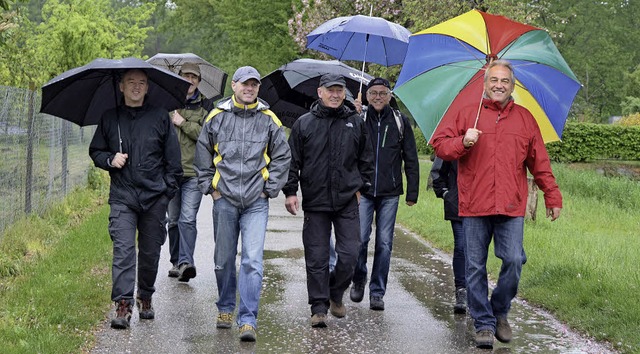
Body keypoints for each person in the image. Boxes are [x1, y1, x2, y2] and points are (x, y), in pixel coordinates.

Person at [430, 59, 562, 349]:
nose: (499, 85)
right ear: (485, 83)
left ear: (512, 86)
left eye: (504, 81)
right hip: (475, 203)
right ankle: (484, 324)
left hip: (511, 204)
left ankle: (499, 309)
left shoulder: (526, 119)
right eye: (494, 80)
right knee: (475, 267)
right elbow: (440, 145)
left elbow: (539, 162)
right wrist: (463, 142)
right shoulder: (467, 113)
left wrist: (552, 195)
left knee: (514, 260)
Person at [194, 66, 291, 342]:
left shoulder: (269, 119)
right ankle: (225, 307)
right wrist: (211, 189)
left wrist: (269, 189)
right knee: (223, 260)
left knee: (252, 260)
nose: (249, 89)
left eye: (254, 85)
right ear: (234, 86)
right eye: (245, 84)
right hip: (224, 200)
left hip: (255, 202)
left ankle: (248, 320)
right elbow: (202, 154)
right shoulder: (217, 117)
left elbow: (283, 156)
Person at [89, 69, 183, 330]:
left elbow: (173, 161)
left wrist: (166, 193)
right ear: (121, 86)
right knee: (124, 251)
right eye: (131, 82)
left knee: (151, 252)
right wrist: (110, 159)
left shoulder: (160, 117)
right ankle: (123, 302)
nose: (136, 87)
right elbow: (95, 150)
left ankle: (145, 295)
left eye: (141, 82)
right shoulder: (110, 118)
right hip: (123, 197)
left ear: (147, 87)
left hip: (154, 197)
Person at [283, 73, 374, 328]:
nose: (336, 95)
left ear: (344, 93)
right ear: (320, 92)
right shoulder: (304, 124)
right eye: (330, 90)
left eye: (340, 90)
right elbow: (293, 161)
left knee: (350, 253)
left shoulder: (355, 122)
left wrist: (360, 189)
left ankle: (336, 291)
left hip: (347, 200)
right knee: (317, 257)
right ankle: (319, 307)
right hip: (316, 200)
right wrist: (290, 191)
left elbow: (366, 160)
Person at [348, 77, 419, 311]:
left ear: (390, 96)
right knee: (360, 240)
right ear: (366, 96)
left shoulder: (400, 121)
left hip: (390, 192)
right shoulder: (359, 118)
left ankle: (377, 292)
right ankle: (358, 278)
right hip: (364, 190)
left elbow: (411, 158)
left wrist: (412, 192)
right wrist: (352, 115)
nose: (377, 97)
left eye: (382, 93)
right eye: (373, 93)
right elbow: (347, 147)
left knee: (385, 243)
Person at [166, 62, 214, 282]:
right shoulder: (166, 104)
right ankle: (176, 261)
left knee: (187, 219)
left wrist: (182, 122)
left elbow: (207, 136)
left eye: (193, 77)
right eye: (185, 76)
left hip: (194, 173)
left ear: (199, 81)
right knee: (173, 221)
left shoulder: (206, 107)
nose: (189, 80)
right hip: (170, 172)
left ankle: (187, 262)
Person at [429, 157, 466, 314]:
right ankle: (462, 290)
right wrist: (445, 193)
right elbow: (437, 170)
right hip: (457, 202)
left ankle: (477, 290)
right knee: (461, 245)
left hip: (482, 203)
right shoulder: (453, 135)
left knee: (478, 249)